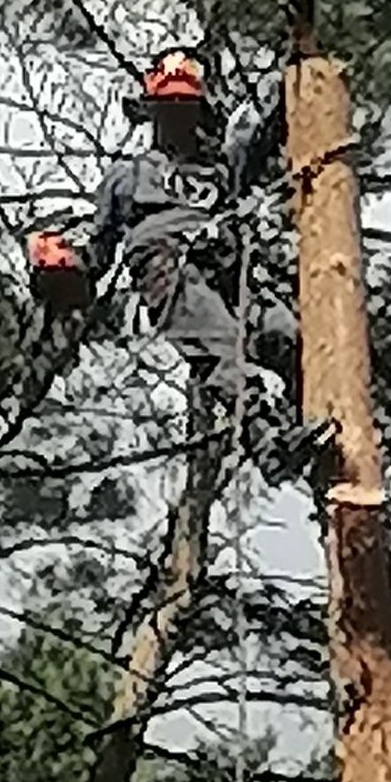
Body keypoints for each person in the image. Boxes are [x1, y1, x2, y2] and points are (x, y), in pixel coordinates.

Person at [85, 48, 326, 478]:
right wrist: (62, 269)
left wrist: (298, 66)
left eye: (185, 110)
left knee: (287, 335)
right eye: (169, 110)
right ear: (153, 114)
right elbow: (96, 254)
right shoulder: (128, 175)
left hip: (231, 265)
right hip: (167, 265)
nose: (178, 120)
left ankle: (334, 424)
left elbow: (262, 129)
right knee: (220, 348)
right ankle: (267, 441)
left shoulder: (220, 169)